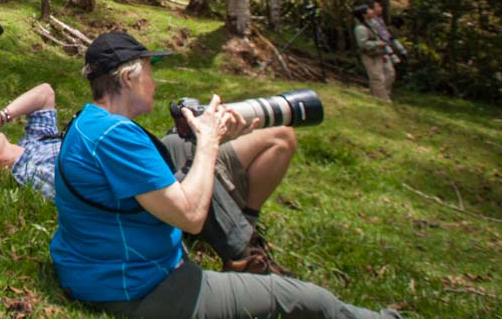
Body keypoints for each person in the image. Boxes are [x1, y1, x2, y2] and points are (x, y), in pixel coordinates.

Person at [51, 32, 401, 318]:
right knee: (311, 301)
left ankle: (241, 236)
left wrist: (213, 137)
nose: (155, 82)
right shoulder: (117, 138)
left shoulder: (92, 122)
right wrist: (207, 142)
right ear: (128, 78)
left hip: (97, 268)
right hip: (142, 289)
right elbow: (190, 216)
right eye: (149, 71)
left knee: (204, 146)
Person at [0, 82, 295, 274]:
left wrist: (0, 116)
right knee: (202, 146)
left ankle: (245, 222)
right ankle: (242, 250)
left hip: (149, 154)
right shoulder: (32, 174)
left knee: (280, 137)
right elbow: (118, 192)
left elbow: (45, 92)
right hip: (150, 181)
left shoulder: (34, 141)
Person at [353, 3, 396, 101]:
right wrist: (377, 44)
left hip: (377, 54)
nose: (372, 11)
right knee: (377, 78)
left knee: (381, 76)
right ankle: (384, 100)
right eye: (369, 10)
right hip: (369, 55)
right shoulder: (360, 28)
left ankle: (374, 97)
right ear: (363, 14)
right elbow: (363, 44)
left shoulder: (370, 24)